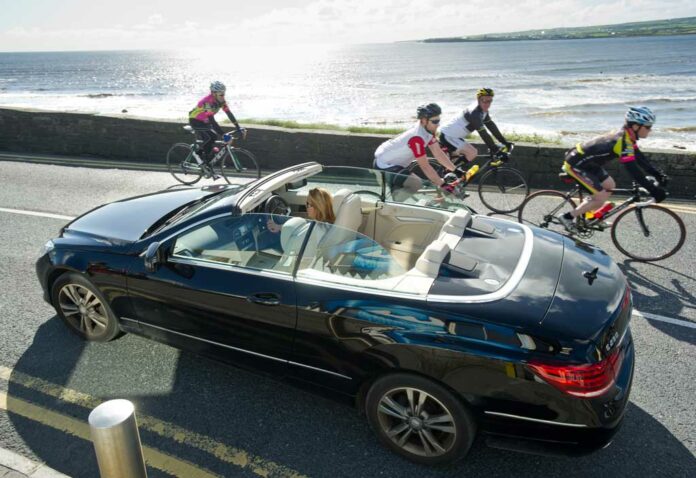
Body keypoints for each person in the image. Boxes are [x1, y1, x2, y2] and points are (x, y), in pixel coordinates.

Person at [557, 106, 668, 232]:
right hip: (575, 164)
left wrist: (658, 174)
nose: (650, 130)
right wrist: (653, 190)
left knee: (610, 185)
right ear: (636, 126)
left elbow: (641, 160)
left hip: (589, 164)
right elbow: (634, 171)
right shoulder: (621, 141)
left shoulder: (627, 137)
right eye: (648, 127)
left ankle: (590, 217)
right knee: (600, 197)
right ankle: (567, 217)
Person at [373, 103, 460, 197]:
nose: (438, 124)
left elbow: (438, 153)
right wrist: (442, 184)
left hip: (393, 162)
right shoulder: (417, 138)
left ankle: (396, 202)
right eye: (435, 121)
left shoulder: (427, 130)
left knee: (413, 187)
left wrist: (456, 170)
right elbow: (425, 166)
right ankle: (393, 207)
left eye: (439, 120)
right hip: (385, 164)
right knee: (416, 183)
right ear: (423, 120)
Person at [438, 88, 514, 163]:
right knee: (471, 153)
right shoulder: (474, 113)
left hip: (455, 137)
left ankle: (451, 171)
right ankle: (452, 172)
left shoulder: (483, 110)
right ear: (478, 100)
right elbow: (483, 134)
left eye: (490, 101)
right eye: (484, 101)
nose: (487, 104)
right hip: (448, 136)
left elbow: (490, 125)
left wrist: (504, 142)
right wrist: (496, 151)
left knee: (470, 153)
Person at [189, 81, 245, 178]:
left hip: (205, 121)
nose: (223, 96)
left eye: (224, 94)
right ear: (214, 93)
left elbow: (229, 113)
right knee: (212, 137)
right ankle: (199, 155)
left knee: (212, 138)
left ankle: (207, 162)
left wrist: (238, 127)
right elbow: (212, 121)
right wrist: (223, 135)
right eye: (221, 94)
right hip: (196, 120)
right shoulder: (207, 102)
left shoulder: (221, 101)